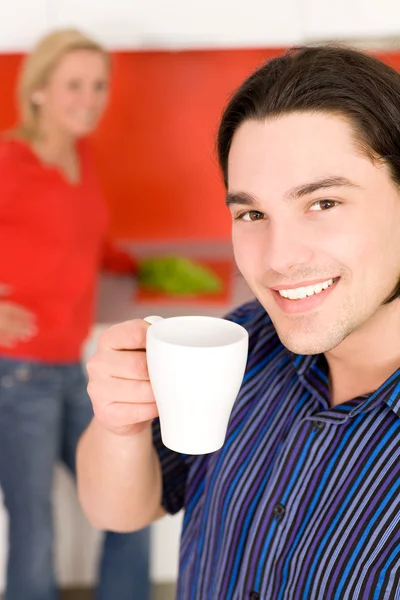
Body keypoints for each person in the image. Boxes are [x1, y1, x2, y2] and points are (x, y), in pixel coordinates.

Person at [77, 44, 400, 599]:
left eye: (323, 203)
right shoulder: (244, 342)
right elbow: (120, 510)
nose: (277, 258)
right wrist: (119, 425)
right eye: (252, 213)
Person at [0, 29, 150, 600]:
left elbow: (83, 238)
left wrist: (136, 266)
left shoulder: (81, 156)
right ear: (38, 90)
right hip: (16, 377)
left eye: (98, 85)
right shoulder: (9, 160)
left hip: (72, 368)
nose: (90, 98)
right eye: (74, 85)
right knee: (36, 526)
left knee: (129, 503)